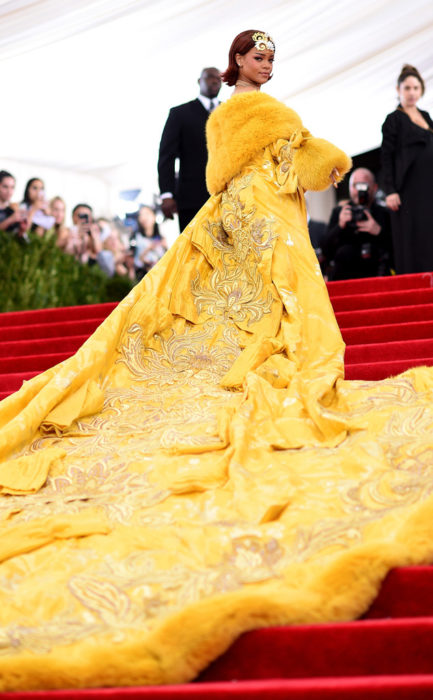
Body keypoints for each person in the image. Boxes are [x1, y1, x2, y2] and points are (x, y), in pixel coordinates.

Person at [3, 30, 433, 693]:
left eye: (270, 56)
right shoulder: (233, 110)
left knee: (277, 301)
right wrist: (301, 155)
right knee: (256, 304)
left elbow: (306, 165)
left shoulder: (258, 110)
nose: (266, 62)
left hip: (270, 212)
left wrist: (305, 159)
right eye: (257, 55)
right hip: (252, 214)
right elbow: (240, 168)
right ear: (235, 61)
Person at [381, 64, 433, 274]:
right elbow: (386, 157)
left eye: (415, 88)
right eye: (407, 88)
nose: (411, 93)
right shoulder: (393, 120)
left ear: (421, 89)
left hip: (429, 187)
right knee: (414, 236)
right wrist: (390, 190)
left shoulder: (426, 116)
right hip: (409, 189)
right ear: (398, 90)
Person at [158, 66, 222, 233]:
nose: (215, 80)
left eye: (218, 78)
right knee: (192, 254)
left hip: (226, 197)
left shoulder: (229, 112)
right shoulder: (180, 113)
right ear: (199, 81)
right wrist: (167, 194)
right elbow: (166, 156)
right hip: (190, 198)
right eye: (209, 77)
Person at [322, 168, 392, 279]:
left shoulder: (383, 213)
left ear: (374, 188)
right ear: (349, 188)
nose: (359, 191)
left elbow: (395, 251)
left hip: (376, 277)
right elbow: (325, 250)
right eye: (355, 186)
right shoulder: (340, 212)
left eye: (364, 185)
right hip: (343, 278)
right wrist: (339, 226)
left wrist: (379, 231)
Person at [131, 205, 168, 279]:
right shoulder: (135, 238)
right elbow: (134, 261)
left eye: (147, 214)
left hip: (161, 275)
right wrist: (149, 249)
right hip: (143, 277)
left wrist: (165, 248)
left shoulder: (161, 238)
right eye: (141, 215)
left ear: (154, 216)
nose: (144, 217)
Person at [0, 170, 27, 236]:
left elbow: (15, 237)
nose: (9, 191)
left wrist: (22, 230)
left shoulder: (13, 209)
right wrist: (11, 219)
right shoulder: (13, 214)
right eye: (5, 187)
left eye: (12, 187)